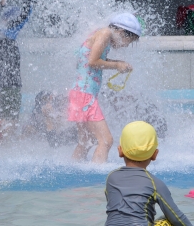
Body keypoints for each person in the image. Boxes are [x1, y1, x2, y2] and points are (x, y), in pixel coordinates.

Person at [68, 12, 141, 163]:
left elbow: (93, 58)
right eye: (128, 41)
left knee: (85, 141)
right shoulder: (105, 33)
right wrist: (116, 65)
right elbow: (93, 61)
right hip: (85, 94)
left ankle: (73, 173)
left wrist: (118, 62)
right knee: (106, 141)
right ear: (121, 32)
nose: (126, 45)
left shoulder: (102, 34)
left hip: (80, 93)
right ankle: (97, 180)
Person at [105, 121, 193, 226]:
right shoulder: (155, 183)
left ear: (120, 151)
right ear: (155, 154)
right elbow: (176, 216)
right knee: (165, 222)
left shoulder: (111, 178)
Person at [0, 0, 33, 136]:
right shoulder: (10, 34)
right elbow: (24, 16)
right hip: (11, 85)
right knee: (11, 121)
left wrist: (2, 4)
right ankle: (6, 148)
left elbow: (1, 18)